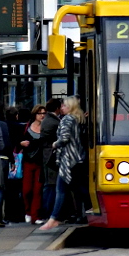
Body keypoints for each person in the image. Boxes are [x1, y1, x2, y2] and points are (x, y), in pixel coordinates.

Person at [40, 96, 86, 231]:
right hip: (76, 158)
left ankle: (53, 219)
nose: (62, 108)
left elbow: (64, 138)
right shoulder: (78, 119)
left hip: (67, 160)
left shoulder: (67, 119)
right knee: (78, 189)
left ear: (70, 107)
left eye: (64, 106)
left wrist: (55, 144)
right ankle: (89, 208)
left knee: (60, 189)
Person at [20, 104, 46, 224]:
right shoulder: (26, 127)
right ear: (35, 114)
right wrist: (21, 143)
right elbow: (17, 141)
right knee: (27, 190)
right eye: (40, 113)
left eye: (44, 113)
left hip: (40, 162)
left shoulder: (46, 128)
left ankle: (35, 215)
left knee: (38, 189)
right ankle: (28, 212)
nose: (42, 115)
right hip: (28, 161)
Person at [39, 98, 63, 224]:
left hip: (48, 155)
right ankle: (49, 213)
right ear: (57, 108)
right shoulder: (53, 122)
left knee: (50, 186)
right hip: (51, 156)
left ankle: (49, 213)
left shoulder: (48, 120)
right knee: (51, 186)